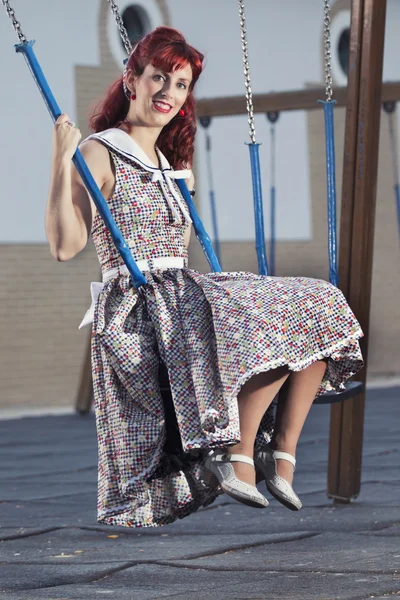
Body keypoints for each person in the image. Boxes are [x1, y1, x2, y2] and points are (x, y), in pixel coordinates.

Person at [45, 26, 364, 527]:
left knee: (317, 304)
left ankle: (278, 453)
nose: (168, 93)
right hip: (143, 300)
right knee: (270, 321)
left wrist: (181, 180)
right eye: (159, 78)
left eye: (181, 85)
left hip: (182, 290)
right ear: (132, 79)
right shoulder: (101, 151)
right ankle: (237, 451)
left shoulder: (171, 164)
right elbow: (65, 246)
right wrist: (61, 162)